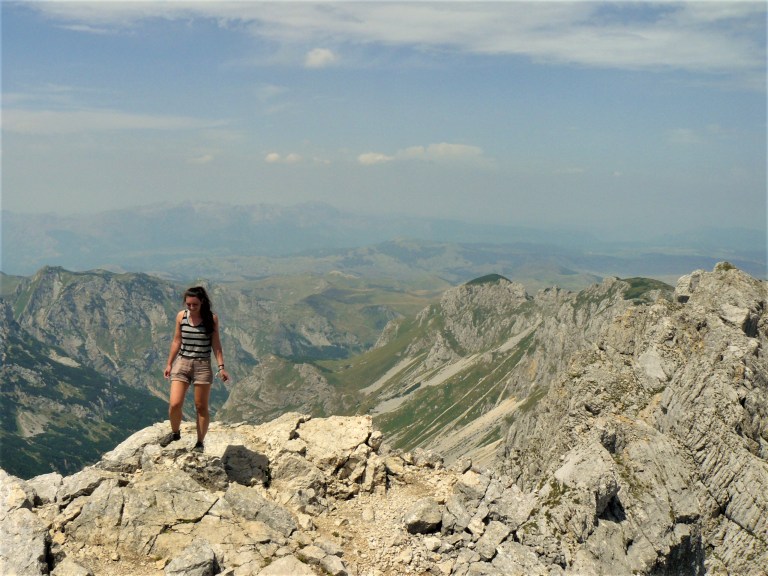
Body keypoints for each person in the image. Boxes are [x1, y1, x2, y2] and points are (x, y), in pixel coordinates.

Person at [163, 286, 229, 451]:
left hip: (202, 365)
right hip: (182, 363)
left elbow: (216, 344)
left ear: (202, 303)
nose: (191, 308)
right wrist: (169, 363)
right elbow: (176, 341)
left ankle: (200, 443)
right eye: (188, 305)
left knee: (201, 407)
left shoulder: (211, 319)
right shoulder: (181, 316)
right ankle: (175, 432)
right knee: (175, 403)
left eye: (195, 305)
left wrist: (221, 367)